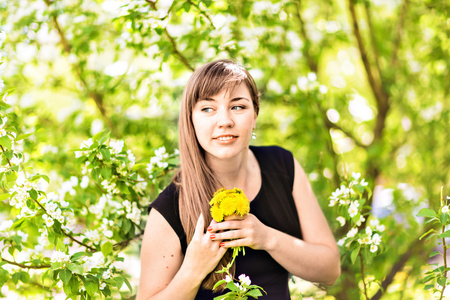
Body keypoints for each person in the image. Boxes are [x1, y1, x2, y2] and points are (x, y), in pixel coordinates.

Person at [136, 59, 340, 300]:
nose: (225, 121)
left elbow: (330, 270)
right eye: (208, 109)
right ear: (191, 120)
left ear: (255, 115)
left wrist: (266, 237)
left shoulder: (283, 166)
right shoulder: (170, 207)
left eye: (238, 107)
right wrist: (192, 271)